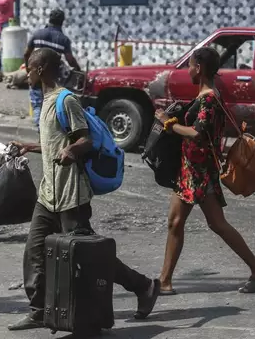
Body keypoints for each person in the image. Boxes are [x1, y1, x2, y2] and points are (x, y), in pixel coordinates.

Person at [8, 48, 160, 331]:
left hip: (71, 195)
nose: (25, 72)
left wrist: (72, 151)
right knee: (34, 252)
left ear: (40, 70)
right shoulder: (45, 101)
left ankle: (144, 286)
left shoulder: (66, 101)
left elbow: (86, 141)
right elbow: (56, 143)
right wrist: (28, 147)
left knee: (91, 257)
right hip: (48, 194)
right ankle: (39, 310)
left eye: (28, 67)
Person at [154, 47, 255, 295]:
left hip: (197, 171)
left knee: (190, 222)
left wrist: (169, 124)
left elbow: (198, 133)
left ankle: (166, 281)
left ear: (199, 68)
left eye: (190, 65)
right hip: (194, 169)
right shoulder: (207, 97)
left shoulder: (209, 98)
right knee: (193, 223)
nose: (188, 70)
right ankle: (165, 281)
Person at [23, 8, 81, 130]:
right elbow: (70, 60)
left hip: (36, 75)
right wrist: (79, 70)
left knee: (37, 104)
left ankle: (41, 129)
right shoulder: (63, 39)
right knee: (51, 105)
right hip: (52, 78)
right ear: (62, 22)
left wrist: (29, 71)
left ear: (49, 19)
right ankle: (45, 131)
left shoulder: (38, 34)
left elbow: (26, 54)